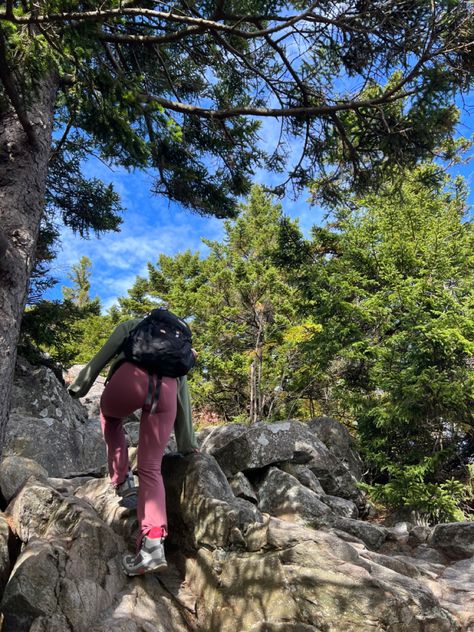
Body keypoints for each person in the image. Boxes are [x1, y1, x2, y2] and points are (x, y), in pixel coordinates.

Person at [67, 316, 199, 576]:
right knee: (151, 467)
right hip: (166, 393)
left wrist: (79, 387)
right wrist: (186, 443)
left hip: (128, 382)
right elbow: (183, 393)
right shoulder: (178, 348)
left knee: (111, 418)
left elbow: (105, 353)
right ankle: (152, 547)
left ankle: (122, 480)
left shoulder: (136, 324)